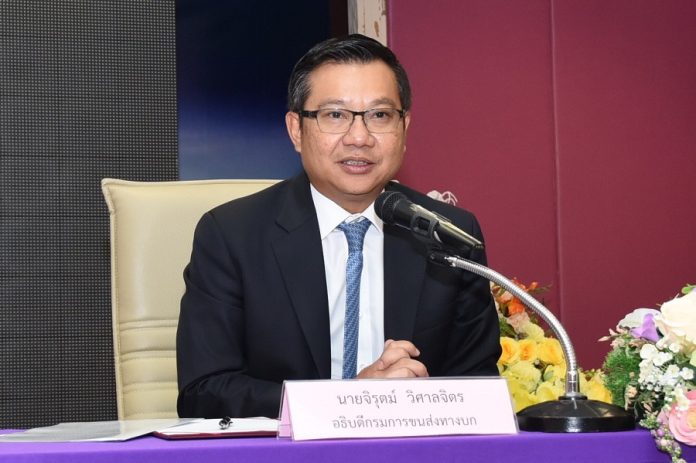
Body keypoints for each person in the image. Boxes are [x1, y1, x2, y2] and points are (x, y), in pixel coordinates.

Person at [176, 34, 501, 419]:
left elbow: (478, 389)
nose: (359, 138)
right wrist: (349, 399)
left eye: (380, 116)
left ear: (404, 127)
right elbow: (205, 392)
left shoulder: (447, 234)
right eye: (335, 115)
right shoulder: (232, 236)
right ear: (296, 130)